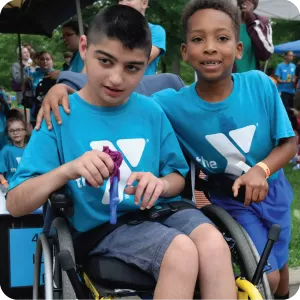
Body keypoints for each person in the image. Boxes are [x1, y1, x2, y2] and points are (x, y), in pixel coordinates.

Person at [36, 1, 297, 299]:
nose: (210, 48)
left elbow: (288, 142)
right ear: (185, 52)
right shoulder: (166, 104)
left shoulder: (259, 85)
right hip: (232, 198)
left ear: (238, 49)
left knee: (279, 266)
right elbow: (116, 88)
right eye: (199, 39)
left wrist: (261, 170)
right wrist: (65, 86)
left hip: (271, 187)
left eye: (221, 38)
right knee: (269, 276)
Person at [6, 5, 236, 300]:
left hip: (163, 213)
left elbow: (178, 176)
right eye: (106, 61)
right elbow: (15, 204)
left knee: (215, 245)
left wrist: (162, 184)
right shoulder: (58, 116)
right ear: (85, 48)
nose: (117, 79)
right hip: (103, 228)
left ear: (146, 64)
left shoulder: (151, 111)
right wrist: (68, 169)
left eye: (132, 67)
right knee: (180, 252)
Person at [119, 0, 166, 75]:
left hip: (144, 85)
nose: (123, 3)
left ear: (144, 3)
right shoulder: (109, 30)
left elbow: (140, 60)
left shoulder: (155, 31)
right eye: (120, 0)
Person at [234, 0, 273, 72]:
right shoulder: (227, 21)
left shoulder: (262, 22)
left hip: (251, 80)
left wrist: (251, 21)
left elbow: (265, 54)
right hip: (228, 80)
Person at [0, 118, 28, 190]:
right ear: (8, 133)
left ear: (25, 131)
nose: (15, 133)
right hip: (12, 188)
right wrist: (5, 185)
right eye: (12, 131)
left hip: (29, 187)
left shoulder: (30, 148)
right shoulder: (5, 151)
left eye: (18, 130)